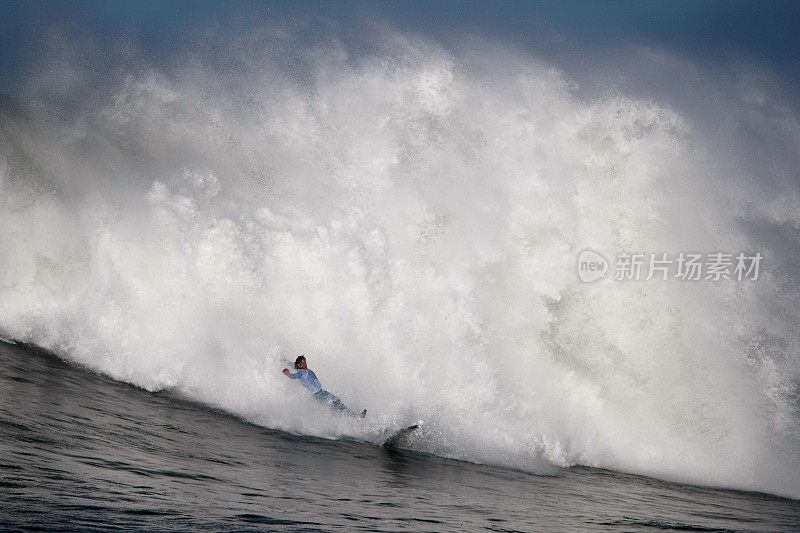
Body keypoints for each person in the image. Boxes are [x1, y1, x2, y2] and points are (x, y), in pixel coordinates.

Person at [283, 355, 366, 418]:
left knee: (337, 404)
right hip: (318, 394)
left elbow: (293, 365)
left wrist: (283, 360)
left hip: (322, 392)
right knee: (336, 404)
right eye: (303, 363)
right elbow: (293, 376)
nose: (305, 364)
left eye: (305, 362)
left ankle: (350, 418)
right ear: (299, 365)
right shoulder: (301, 373)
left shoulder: (303, 369)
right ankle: (355, 417)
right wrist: (288, 374)